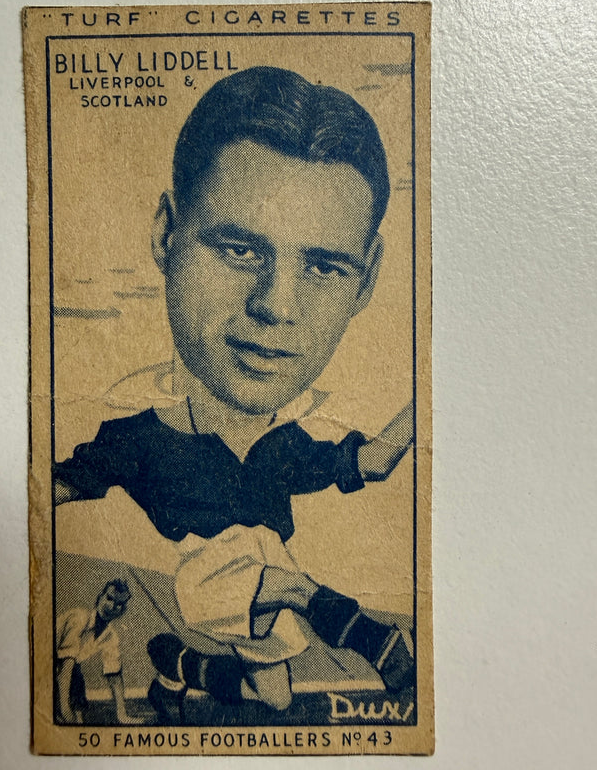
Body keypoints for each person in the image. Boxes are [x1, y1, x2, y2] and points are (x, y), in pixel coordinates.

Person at [54, 66, 414, 722]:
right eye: (240, 250)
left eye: (324, 266)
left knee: (271, 696)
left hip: (263, 579)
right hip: (210, 578)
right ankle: (367, 635)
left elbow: (378, 459)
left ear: (365, 283)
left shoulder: (290, 447)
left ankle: (181, 668)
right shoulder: (138, 437)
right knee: (295, 588)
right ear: (166, 235)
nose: (277, 307)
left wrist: (437, 401)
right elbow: (48, 488)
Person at [55, 579, 136, 724]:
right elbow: (64, 669)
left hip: (69, 671)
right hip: (45, 662)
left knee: (76, 675)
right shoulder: (80, 618)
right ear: (100, 597)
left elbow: (114, 676)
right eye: (109, 598)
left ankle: (78, 718)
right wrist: (65, 710)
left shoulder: (110, 636)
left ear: (123, 610)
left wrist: (122, 715)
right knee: (73, 673)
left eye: (119, 604)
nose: (112, 606)